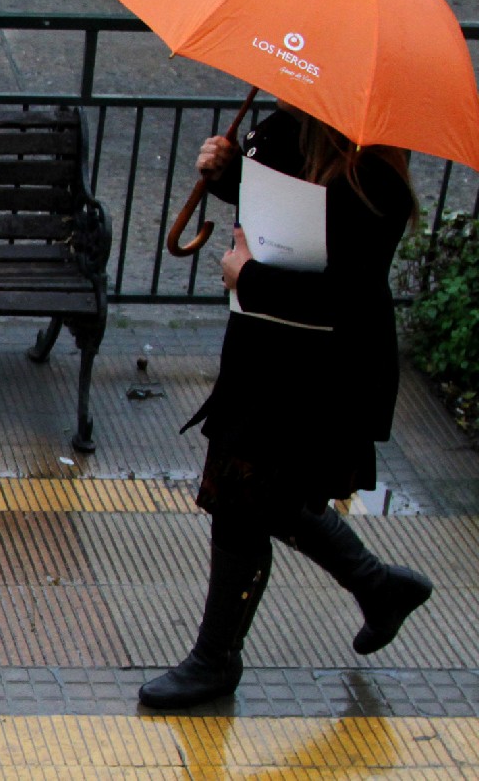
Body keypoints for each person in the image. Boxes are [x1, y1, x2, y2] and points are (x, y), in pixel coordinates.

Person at [138, 101, 434, 710]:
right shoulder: (282, 126)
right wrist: (224, 175)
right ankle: (379, 587)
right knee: (265, 496)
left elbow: (345, 296)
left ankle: (214, 659)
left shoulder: (374, 176)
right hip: (264, 355)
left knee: (244, 505)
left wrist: (247, 278)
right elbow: (269, 215)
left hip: (325, 377)